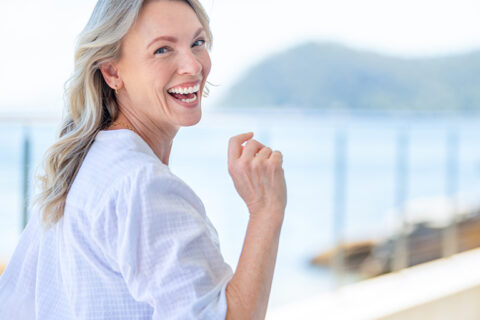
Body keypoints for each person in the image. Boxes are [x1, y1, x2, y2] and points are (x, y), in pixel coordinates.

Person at [0, 0, 287, 319]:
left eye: (197, 43)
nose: (192, 66)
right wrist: (265, 209)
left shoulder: (88, 161)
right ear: (111, 71)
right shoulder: (143, 185)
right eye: (162, 50)